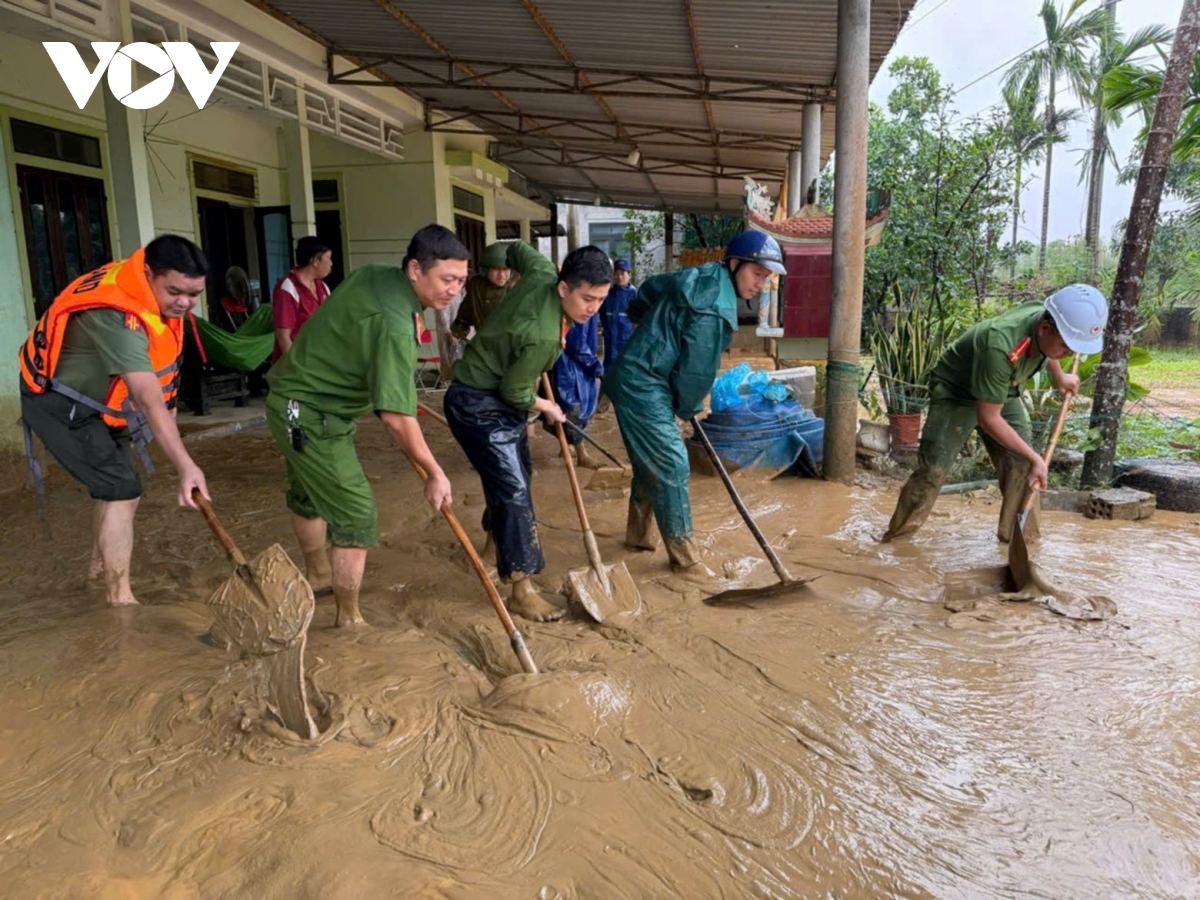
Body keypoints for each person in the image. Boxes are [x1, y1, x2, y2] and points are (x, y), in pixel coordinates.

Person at [265, 225, 466, 627]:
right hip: (307, 411)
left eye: (461, 281)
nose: (454, 291)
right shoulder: (394, 325)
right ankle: (349, 620)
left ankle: (319, 574)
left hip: (292, 401)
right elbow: (394, 418)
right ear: (414, 269)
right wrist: (434, 472)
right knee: (356, 512)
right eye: (447, 279)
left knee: (309, 491)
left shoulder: (375, 274)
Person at [18, 235, 211, 607]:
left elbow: (160, 380)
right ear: (150, 274)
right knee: (122, 489)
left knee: (120, 488)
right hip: (59, 401)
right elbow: (146, 397)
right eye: (176, 292)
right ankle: (120, 602)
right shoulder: (118, 315)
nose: (185, 303)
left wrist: (170, 432)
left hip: (101, 400)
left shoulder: (146, 289)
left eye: (194, 294)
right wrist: (186, 465)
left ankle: (96, 574)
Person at [446, 241, 613, 621]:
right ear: (562, 286)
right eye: (586, 298)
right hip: (476, 402)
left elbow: (515, 247)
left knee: (513, 474)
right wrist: (547, 407)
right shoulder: (543, 335)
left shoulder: (539, 271)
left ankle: (493, 547)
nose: (593, 308)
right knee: (514, 488)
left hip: (492, 390)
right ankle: (520, 588)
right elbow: (515, 391)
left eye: (601, 300)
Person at [604, 231, 785, 576]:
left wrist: (645, 320)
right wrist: (687, 408)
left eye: (766, 277)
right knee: (672, 463)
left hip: (639, 374)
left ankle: (638, 537)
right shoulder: (716, 309)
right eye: (757, 273)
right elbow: (696, 375)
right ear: (734, 264)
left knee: (652, 459)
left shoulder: (700, 274)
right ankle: (685, 560)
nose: (761, 283)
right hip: (642, 382)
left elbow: (650, 289)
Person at [882, 284, 1108, 543]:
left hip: (1002, 388)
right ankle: (896, 541)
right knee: (933, 471)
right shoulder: (1000, 344)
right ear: (1045, 327)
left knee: (1024, 467)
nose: (1071, 352)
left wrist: (1060, 377)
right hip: (957, 393)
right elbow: (988, 417)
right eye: (1067, 346)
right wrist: (1037, 457)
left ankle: (1020, 543)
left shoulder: (1046, 320)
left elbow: (1047, 350)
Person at [545, 315, 604, 469]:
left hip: (571, 362)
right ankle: (581, 453)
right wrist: (595, 366)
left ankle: (567, 446)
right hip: (571, 365)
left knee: (567, 407)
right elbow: (576, 343)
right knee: (573, 409)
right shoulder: (582, 306)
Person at [272, 235, 333, 360]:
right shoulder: (287, 288)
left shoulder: (323, 287)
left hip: (318, 360)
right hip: (298, 366)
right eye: (329, 258)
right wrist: (296, 369)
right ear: (315, 260)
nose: (331, 264)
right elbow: (283, 337)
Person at [450, 242, 511, 342]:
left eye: (505, 269)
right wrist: (458, 329)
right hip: (484, 343)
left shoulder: (517, 287)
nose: (501, 274)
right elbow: (466, 310)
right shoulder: (477, 285)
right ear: (486, 270)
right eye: (496, 269)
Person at [600, 258, 636, 370]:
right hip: (610, 338)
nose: (619, 277)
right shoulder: (608, 294)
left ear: (629, 274)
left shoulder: (634, 294)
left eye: (622, 273)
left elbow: (640, 319)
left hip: (626, 340)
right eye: (616, 274)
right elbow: (602, 314)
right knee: (609, 368)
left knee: (625, 368)